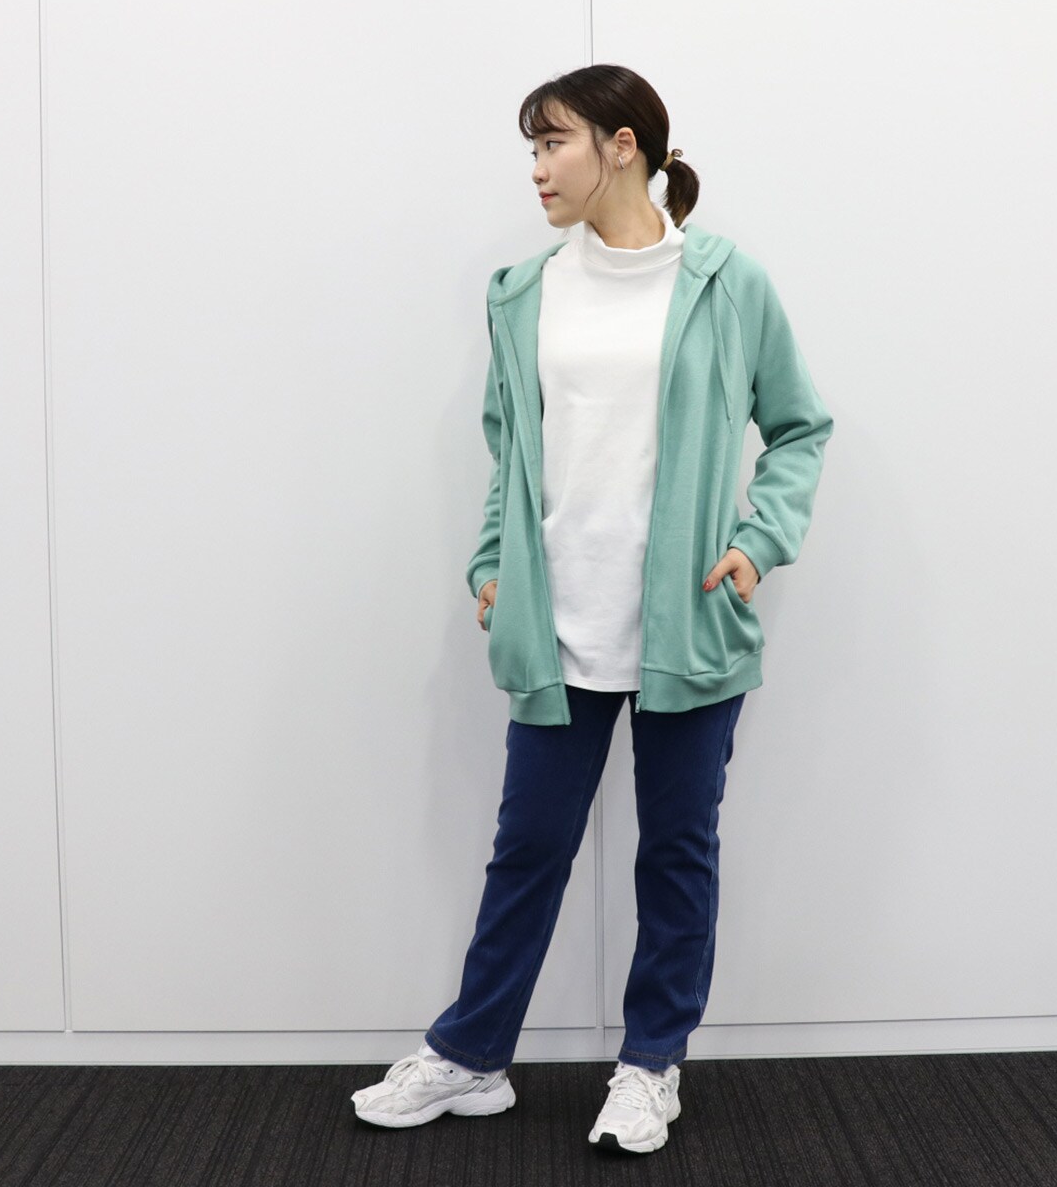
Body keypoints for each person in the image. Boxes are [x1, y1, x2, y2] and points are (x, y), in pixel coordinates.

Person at [351, 63, 833, 1155]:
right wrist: (490, 563)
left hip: (688, 629)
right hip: (557, 626)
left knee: (676, 856)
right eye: (531, 149)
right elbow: (511, 450)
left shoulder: (726, 284)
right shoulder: (522, 292)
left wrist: (759, 543)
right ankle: (473, 1056)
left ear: (624, 146)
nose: (536, 169)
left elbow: (800, 426)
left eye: (552, 143)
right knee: (527, 850)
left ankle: (650, 1067)